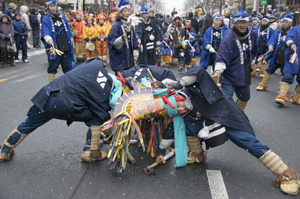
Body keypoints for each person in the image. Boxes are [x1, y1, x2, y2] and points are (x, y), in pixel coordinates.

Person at [157, 66, 300, 196]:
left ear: (178, 97)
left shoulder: (193, 88)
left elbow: (198, 71)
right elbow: (170, 131)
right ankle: (197, 155)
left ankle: (285, 173)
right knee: (187, 127)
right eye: (177, 110)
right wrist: (160, 152)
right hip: (207, 120)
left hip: (224, 113)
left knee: (246, 142)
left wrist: (180, 83)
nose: (181, 109)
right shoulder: (182, 113)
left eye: (179, 105)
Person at [0, 58, 114, 164]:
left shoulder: (94, 65)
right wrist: (110, 136)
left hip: (48, 95)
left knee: (29, 123)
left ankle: (4, 150)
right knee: (95, 119)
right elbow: (103, 114)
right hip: (66, 104)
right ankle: (90, 152)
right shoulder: (105, 92)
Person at [214, 8, 258, 111]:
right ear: (234, 23)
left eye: (244, 22)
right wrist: (218, 70)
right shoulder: (228, 37)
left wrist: (253, 61)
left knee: (245, 97)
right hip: (229, 74)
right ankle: (224, 121)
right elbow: (222, 55)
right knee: (226, 99)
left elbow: (254, 49)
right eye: (239, 22)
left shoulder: (252, 34)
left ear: (248, 22)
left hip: (244, 72)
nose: (242, 25)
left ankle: (238, 116)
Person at [256, 13, 293, 91]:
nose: (284, 24)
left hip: (287, 56)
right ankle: (263, 83)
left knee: (286, 74)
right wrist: (271, 46)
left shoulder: (293, 32)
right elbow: (272, 40)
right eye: (284, 22)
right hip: (276, 55)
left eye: (286, 22)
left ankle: (283, 91)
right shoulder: (277, 31)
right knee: (269, 70)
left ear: (290, 23)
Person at [41, 0, 74, 82]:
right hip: (54, 47)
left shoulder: (62, 17)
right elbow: (45, 31)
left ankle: (68, 87)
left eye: (54, 6)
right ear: (48, 7)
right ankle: (52, 87)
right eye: (51, 6)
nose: (53, 8)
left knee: (68, 68)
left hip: (65, 45)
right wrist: (48, 39)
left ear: (56, 6)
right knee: (52, 67)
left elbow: (68, 31)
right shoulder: (46, 19)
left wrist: (71, 40)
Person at [107, 0, 138, 75]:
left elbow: (134, 42)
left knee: (129, 83)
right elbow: (111, 41)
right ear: (120, 13)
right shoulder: (116, 26)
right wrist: (121, 39)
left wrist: (135, 56)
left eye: (128, 11)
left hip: (129, 60)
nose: (127, 13)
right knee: (121, 83)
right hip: (120, 61)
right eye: (125, 11)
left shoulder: (130, 25)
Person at [274, 25, 300, 105]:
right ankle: (282, 95)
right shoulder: (295, 29)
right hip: (293, 56)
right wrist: (291, 44)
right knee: (288, 75)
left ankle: (297, 96)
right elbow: (288, 38)